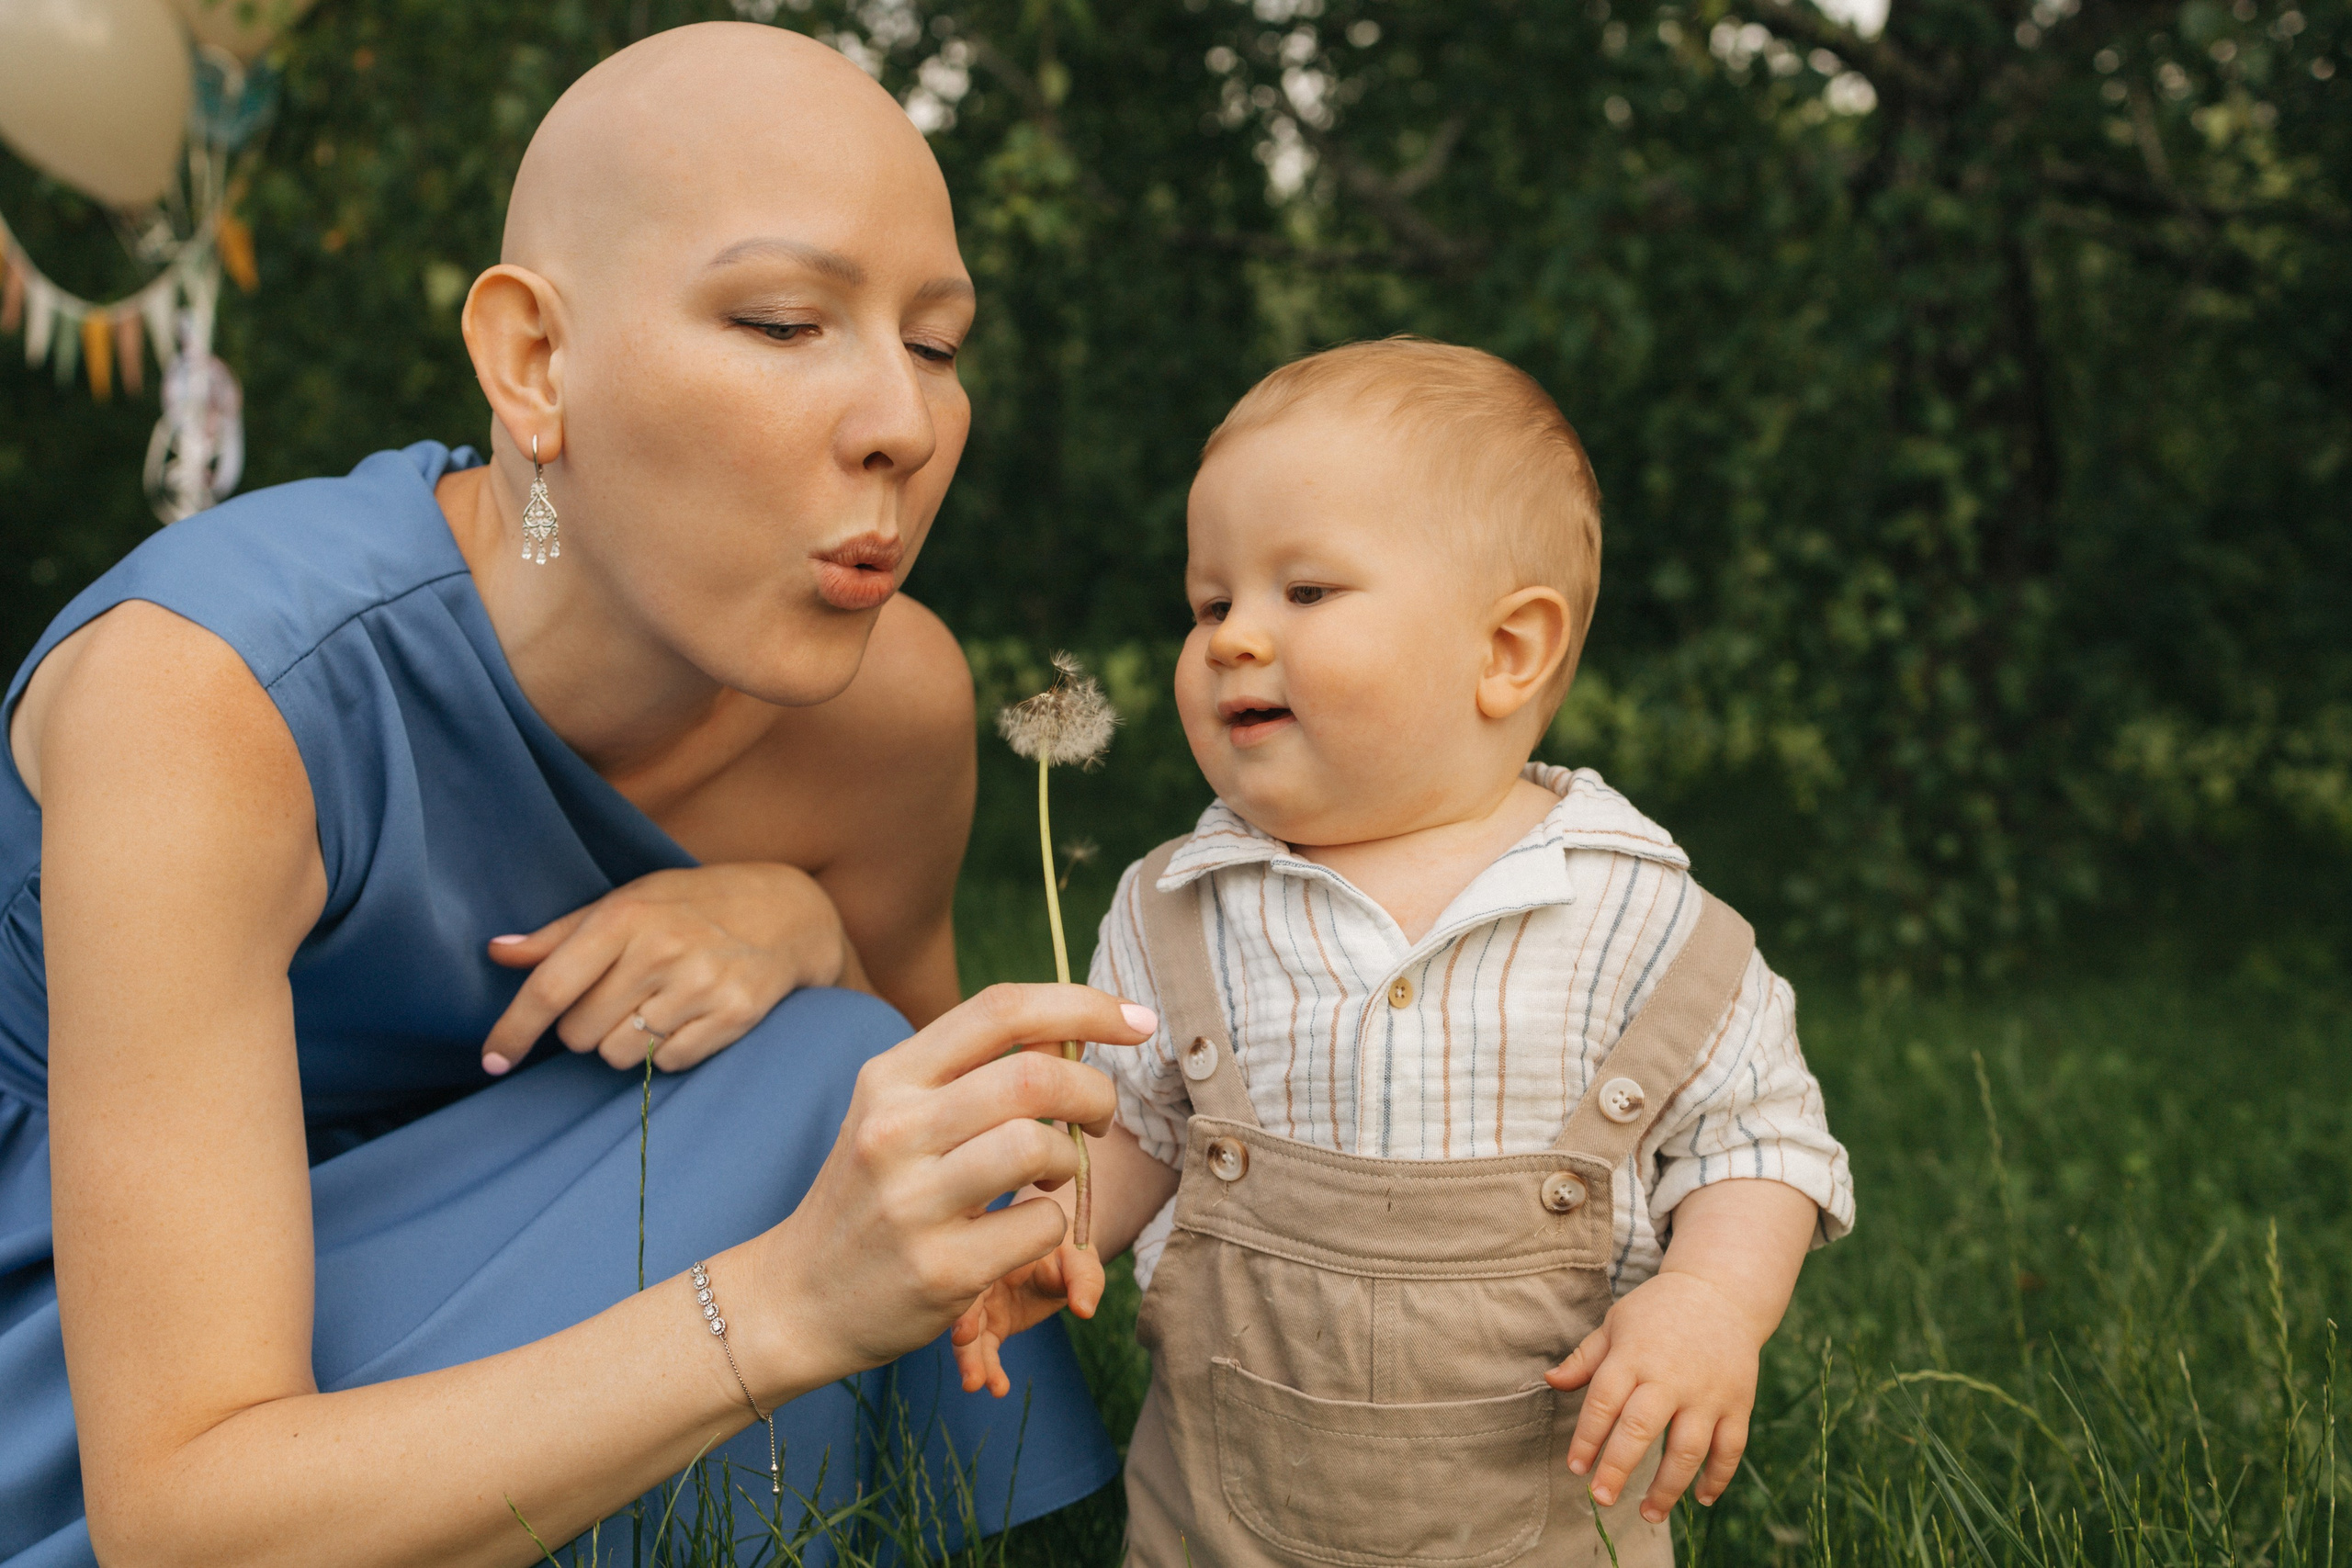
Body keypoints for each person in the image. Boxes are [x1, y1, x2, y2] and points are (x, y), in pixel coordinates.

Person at [0, 24, 1146, 1568]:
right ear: (535, 362)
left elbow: (941, 1164)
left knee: (831, 1057)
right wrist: (789, 1305)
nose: (905, 422)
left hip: (487, 1296)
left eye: (935, 343)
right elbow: (185, 1523)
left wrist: (803, 920)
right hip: (101, 1371)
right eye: (789, 321)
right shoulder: (210, 693)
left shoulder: (887, 711)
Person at [950, 338, 1858, 1565]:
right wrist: (1051, 1231)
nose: (1229, 637)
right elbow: (1137, 1127)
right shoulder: (1178, 908)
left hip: (1542, 1524)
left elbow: (1760, 1145)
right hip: (1225, 1521)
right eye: (1211, 603)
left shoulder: (1646, 925)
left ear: (1507, 653)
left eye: (1303, 593)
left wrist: (1708, 1304)